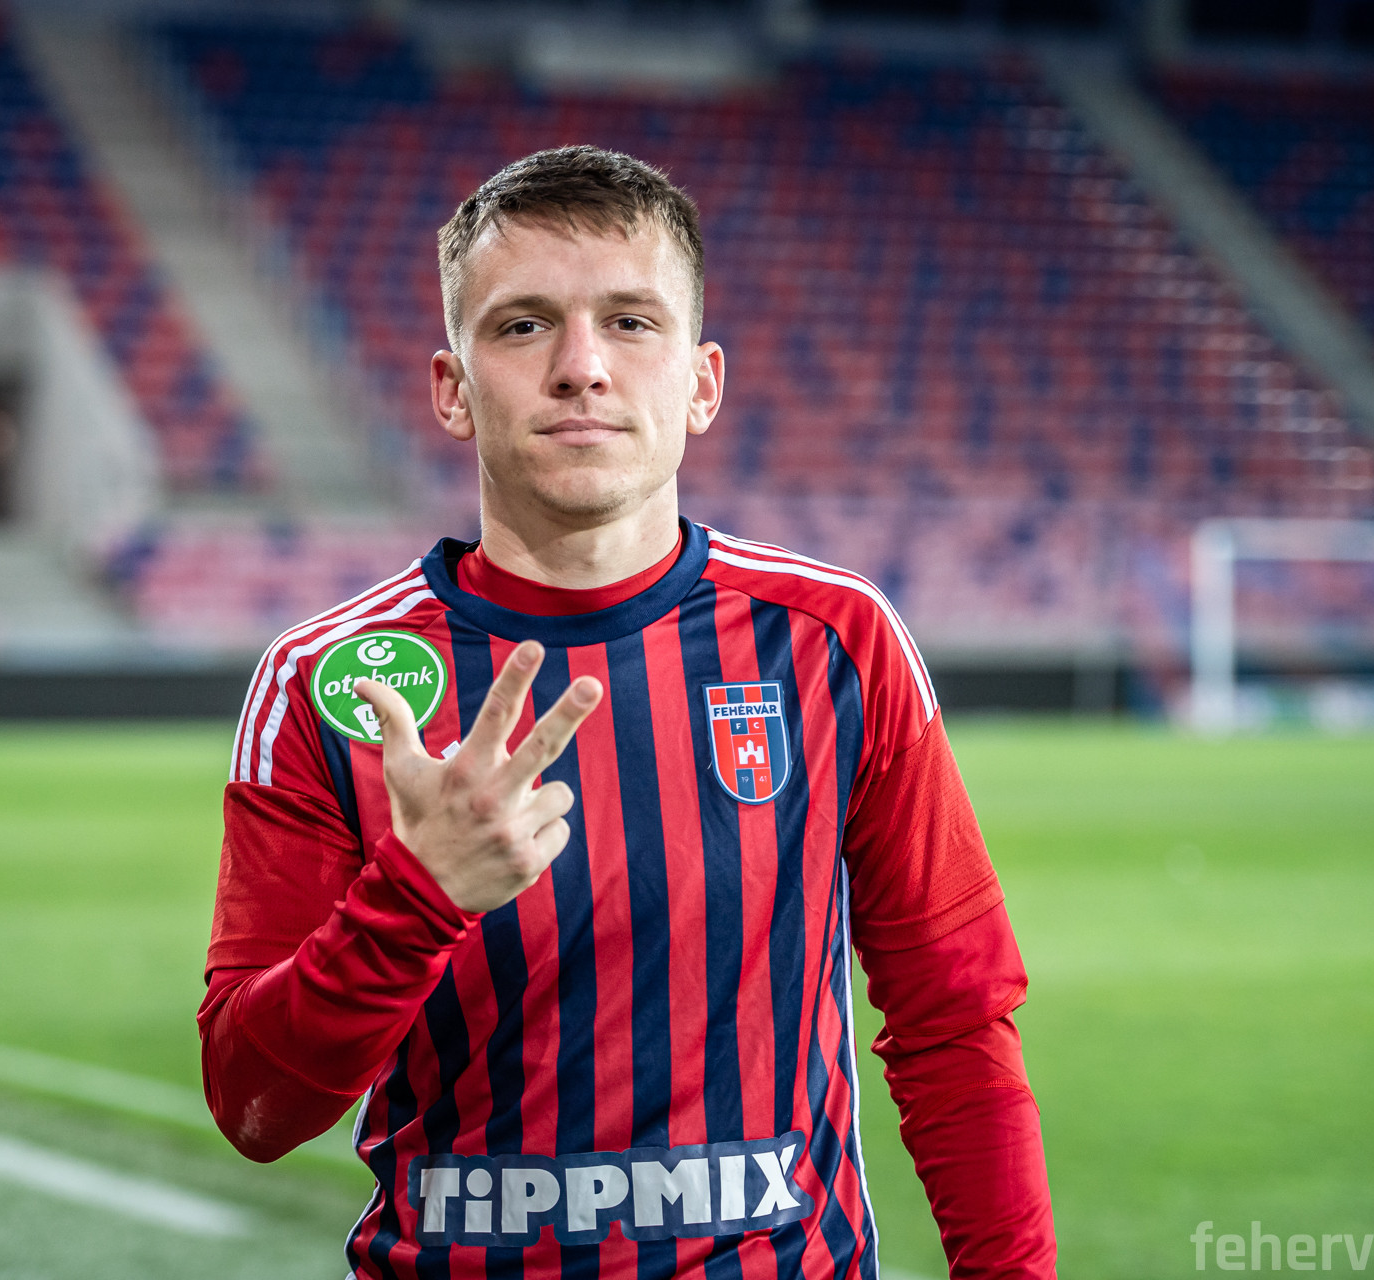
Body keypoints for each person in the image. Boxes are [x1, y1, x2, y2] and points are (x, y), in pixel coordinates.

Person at [202, 145, 1056, 1278]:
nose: (582, 368)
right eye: (523, 326)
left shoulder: (834, 641)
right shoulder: (332, 681)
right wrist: (416, 897)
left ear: (702, 382)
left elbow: (954, 1023)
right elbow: (254, 1107)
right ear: (452, 389)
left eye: (631, 322)